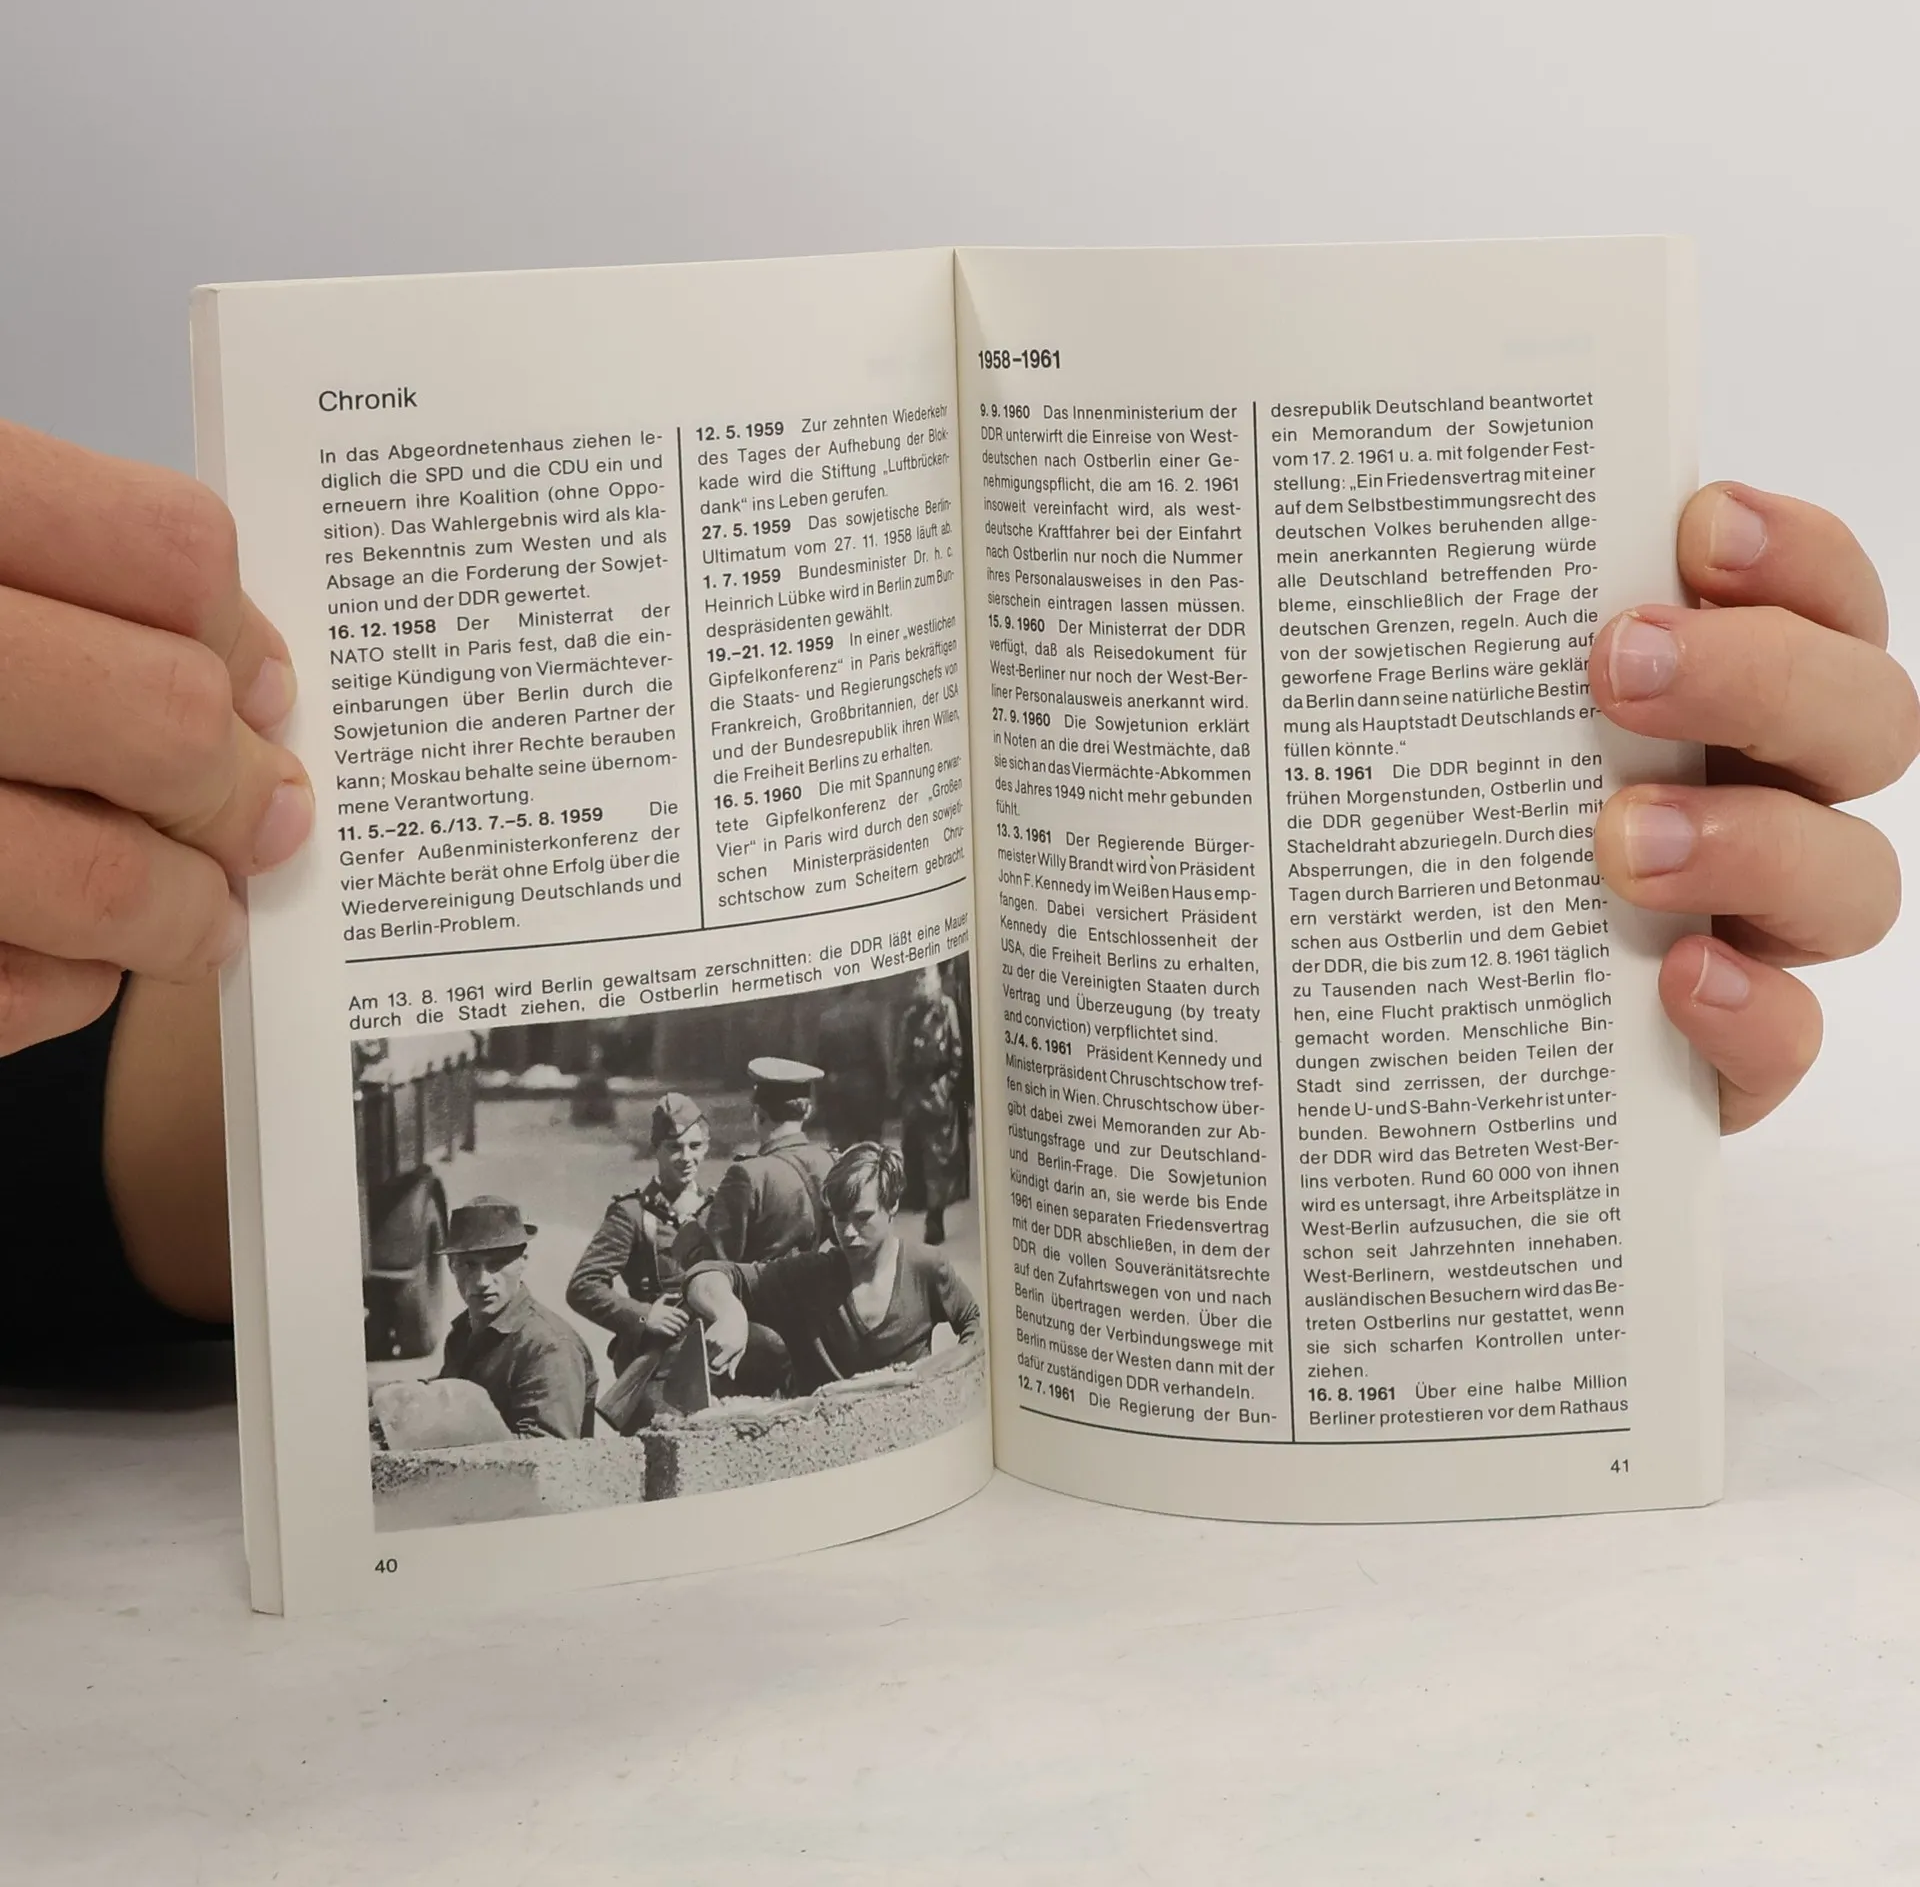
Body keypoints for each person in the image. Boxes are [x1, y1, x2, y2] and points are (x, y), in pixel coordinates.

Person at [0, 416, 1912, 1330]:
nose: (711, 1139)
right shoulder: (712, 1196)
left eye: (724, 1128)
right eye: (715, 1131)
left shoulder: (810, 1158)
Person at [685, 1141, 982, 1395]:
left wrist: (944, 1371)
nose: (849, 1233)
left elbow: (975, 1327)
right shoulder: (809, 1277)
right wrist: (730, 1313)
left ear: (892, 1205)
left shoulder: (926, 1267)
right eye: (840, 1218)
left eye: (863, 1218)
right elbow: (706, 1274)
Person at [565, 1091, 714, 1373]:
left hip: (712, 1353)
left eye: (695, 1146)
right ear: (656, 1149)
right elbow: (583, 1286)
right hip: (654, 1358)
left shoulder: (717, 1209)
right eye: (674, 1147)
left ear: (706, 1148)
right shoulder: (632, 1213)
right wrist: (644, 1317)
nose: (686, 1157)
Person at [437, 1197, 596, 1439]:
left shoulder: (549, 1347)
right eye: (469, 1265)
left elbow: (548, 1451)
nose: (482, 1281)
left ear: (522, 1261)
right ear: (451, 1266)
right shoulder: (462, 1333)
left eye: (497, 1264)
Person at [699, 1056, 838, 1264]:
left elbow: (717, 1262)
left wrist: (694, 1225)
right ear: (808, 1111)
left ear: (758, 1113)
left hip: (761, 1283)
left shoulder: (746, 1175)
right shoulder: (832, 1162)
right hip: (815, 1281)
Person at [895, 965, 966, 1246]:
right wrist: (905, 1089)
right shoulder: (910, 1016)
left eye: (925, 976)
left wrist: (945, 1087)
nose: (920, 982)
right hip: (915, 1097)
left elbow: (957, 1053)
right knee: (915, 1156)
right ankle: (922, 1208)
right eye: (916, 978)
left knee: (939, 1159)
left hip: (938, 1096)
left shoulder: (946, 1009)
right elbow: (900, 1058)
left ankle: (935, 1218)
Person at [814, 984, 892, 1149]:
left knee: (841, 1146)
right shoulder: (867, 1015)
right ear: (856, 990)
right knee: (870, 1146)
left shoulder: (827, 1020)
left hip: (836, 1089)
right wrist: (885, 1089)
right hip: (865, 1088)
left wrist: (821, 1096)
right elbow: (878, 1056)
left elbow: (820, 1061)